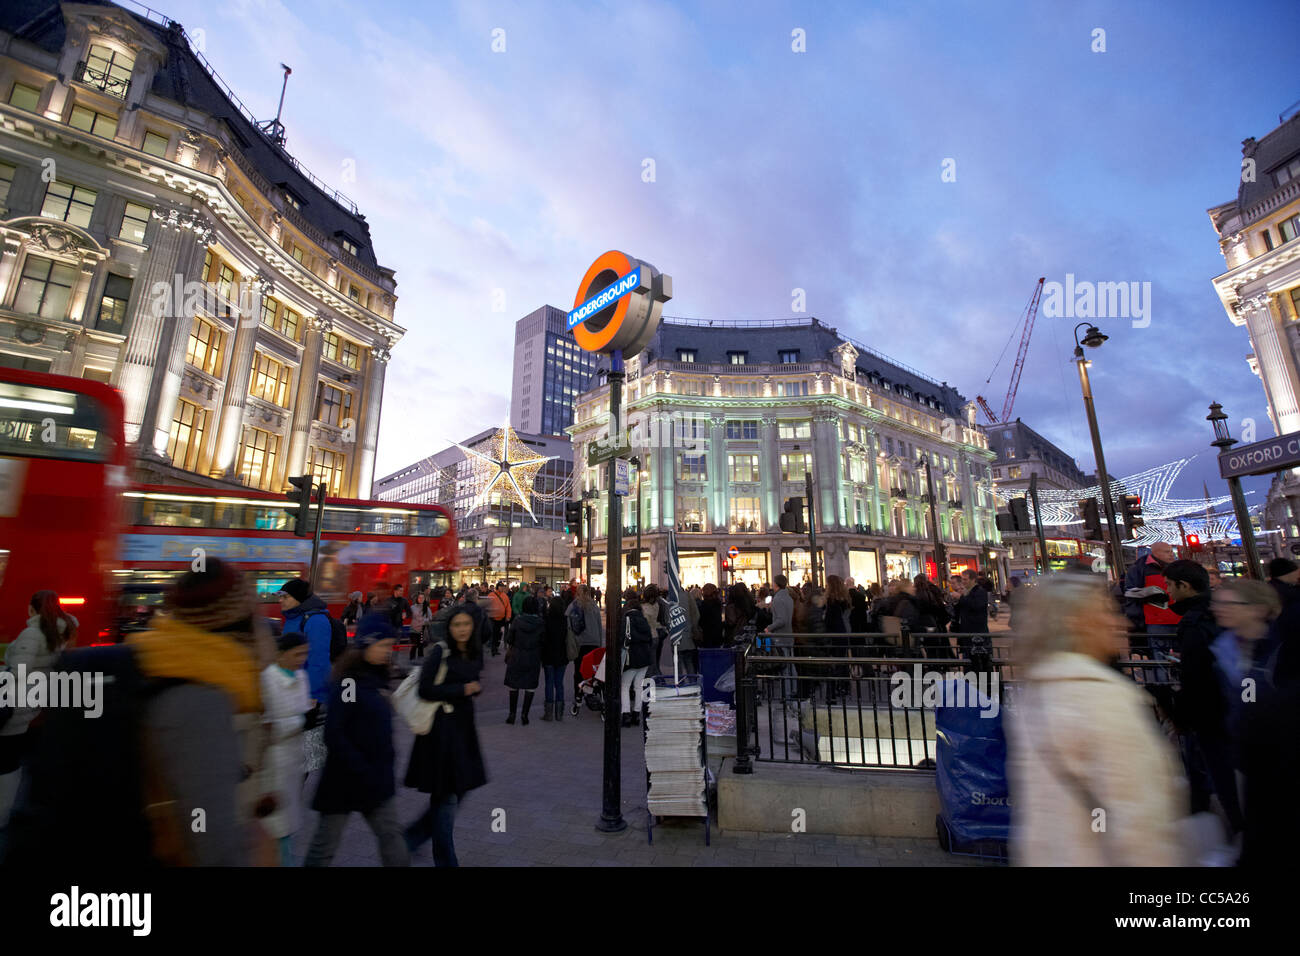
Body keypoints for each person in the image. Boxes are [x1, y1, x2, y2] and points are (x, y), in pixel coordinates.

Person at [1006, 576, 1185, 865]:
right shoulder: (1101, 697)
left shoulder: (1039, 689)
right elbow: (1139, 824)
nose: (1121, 622)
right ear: (1076, 621)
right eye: (1105, 611)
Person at [304, 613, 409, 867]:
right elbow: (334, 733)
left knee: (391, 838)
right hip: (344, 779)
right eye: (382, 646)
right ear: (366, 645)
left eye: (389, 646)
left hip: (375, 777)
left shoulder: (375, 678)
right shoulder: (349, 683)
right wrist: (362, 767)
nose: (387, 651)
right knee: (325, 846)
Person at [1163, 560, 1240, 843]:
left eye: (1170, 585)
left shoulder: (1195, 622)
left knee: (1219, 777)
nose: (1168, 592)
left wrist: (1181, 716)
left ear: (1185, 586)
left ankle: (1235, 833)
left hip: (1209, 714)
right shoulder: (1218, 612)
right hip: (1230, 709)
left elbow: (1195, 675)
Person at [403, 606, 486, 866]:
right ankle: (445, 861)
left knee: (451, 797)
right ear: (449, 627)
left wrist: (471, 689)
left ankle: (410, 839)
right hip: (441, 735)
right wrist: (463, 689)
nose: (461, 629)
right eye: (456, 624)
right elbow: (425, 689)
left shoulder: (473, 650)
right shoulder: (441, 651)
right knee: (447, 801)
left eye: (466, 624)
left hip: (463, 733)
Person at [0, 590, 77, 828]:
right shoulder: (60, 631)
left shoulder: (32, 633)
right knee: (13, 757)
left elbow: (18, 672)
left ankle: (3, 813)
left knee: (6, 760)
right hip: (34, 702)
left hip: (15, 704)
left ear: (32, 608)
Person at [260, 632, 316, 866]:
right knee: (276, 825)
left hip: (294, 760)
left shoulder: (301, 676)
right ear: (281, 654)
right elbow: (266, 726)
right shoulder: (266, 679)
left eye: (305, 654)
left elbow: (304, 712)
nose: (301, 659)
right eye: (296, 654)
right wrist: (298, 721)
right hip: (273, 762)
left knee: (288, 822)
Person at [278, 579, 334, 708]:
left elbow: (318, 661)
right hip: (291, 686)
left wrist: (312, 695)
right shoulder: (292, 617)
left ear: (299, 598)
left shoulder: (316, 621)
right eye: (280, 597)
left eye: (285, 597)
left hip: (306, 691)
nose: (280, 600)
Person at [1123, 543, 1182, 663]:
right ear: (1155, 553)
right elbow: (1130, 591)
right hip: (1156, 622)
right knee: (1160, 660)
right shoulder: (1139, 568)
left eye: (1171, 551)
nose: (1171, 554)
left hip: (1179, 620)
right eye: (1167, 552)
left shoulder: (1179, 567)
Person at [504, 596, 544, 725]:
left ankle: (512, 714)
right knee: (530, 687)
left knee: (513, 686)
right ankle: (524, 715)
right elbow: (543, 641)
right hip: (533, 656)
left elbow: (509, 639)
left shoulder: (517, 620)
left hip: (517, 655)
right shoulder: (540, 622)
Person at [568, 587, 604, 716]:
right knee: (593, 671)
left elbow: (569, 624)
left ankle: (578, 695)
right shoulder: (594, 606)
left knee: (579, 671)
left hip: (580, 643)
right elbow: (599, 626)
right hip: (594, 643)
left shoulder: (574, 605)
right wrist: (600, 642)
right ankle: (592, 693)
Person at [620, 589, 654, 726]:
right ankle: (637, 714)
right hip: (644, 657)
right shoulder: (643, 619)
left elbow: (622, 639)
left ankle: (626, 714)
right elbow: (650, 638)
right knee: (638, 686)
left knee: (625, 686)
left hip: (631, 657)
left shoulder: (626, 619)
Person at [540, 596, 569, 722]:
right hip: (562, 654)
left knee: (549, 683)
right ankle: (559, 713)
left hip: (548, 655)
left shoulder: (546, 619)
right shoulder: (565, 620)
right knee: (559, 683)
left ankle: (549, 713)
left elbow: (543, 638)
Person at [953, 568, 989, 654]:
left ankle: (918, 668)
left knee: (978, 659)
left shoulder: (979, 591)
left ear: (973, 580)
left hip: (976, 632)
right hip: (967, 631)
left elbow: (976, 605)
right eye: (962, 579)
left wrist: (961, 598)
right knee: (968, 659)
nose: (963, 582)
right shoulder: (966, 592)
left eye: (965, 579)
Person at [486, 583, 511, 657]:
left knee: (498, 634)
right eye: (501, 587)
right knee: (493, 634)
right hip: (493, 618)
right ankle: (493, 649)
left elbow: (508, 607)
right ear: (497, 587)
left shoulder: (505, 596)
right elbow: (487, 605)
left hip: (501, 619)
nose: (502, 588)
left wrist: (508, 616)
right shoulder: (491, 595)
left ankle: (496, 648)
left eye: (503, 587)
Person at [408, 591, 434, 661]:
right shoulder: (412, 607)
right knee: (413, 646)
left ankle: (420, 662)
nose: (421, 599)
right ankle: (412, 661)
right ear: (417, 598)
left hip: (422, 630)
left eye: (422, 598)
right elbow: (409, 615)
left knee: (420, 647)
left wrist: (424, 621)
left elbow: (430, 618)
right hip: (413, 630)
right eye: (419, 598)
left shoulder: (427, 608)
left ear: (424, 599)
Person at [698, 583, 724, 648]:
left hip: (707, 635)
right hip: (717, 635)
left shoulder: (704, 605)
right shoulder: (717, 603)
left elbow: (701, 621)